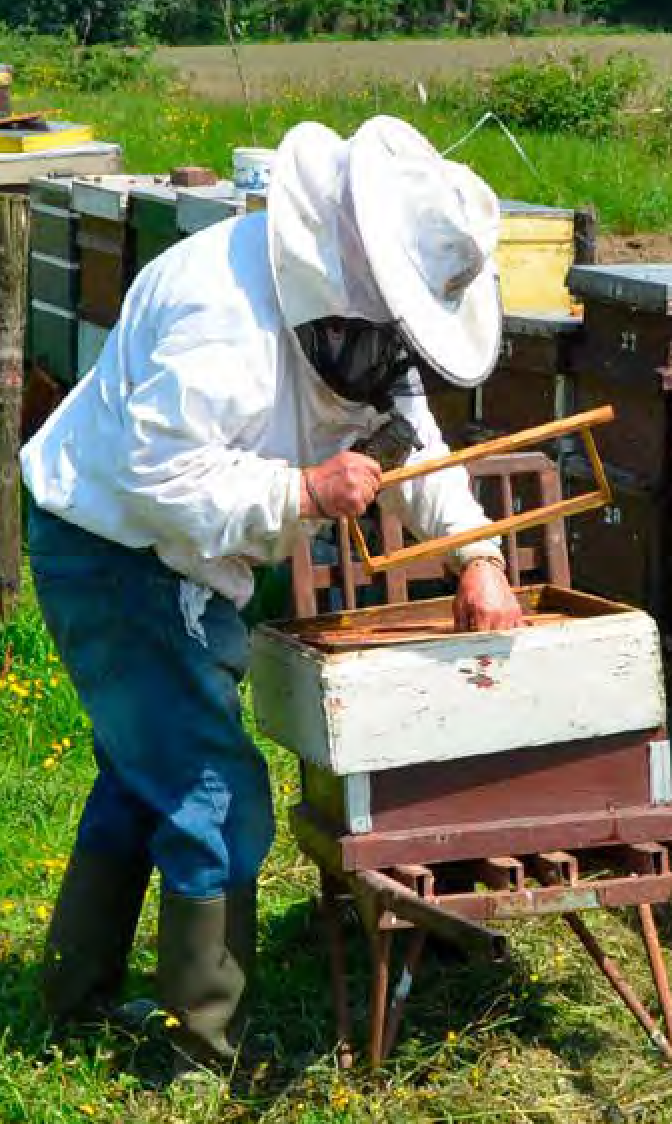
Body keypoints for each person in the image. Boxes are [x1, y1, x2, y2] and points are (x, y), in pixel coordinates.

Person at [21, 114, 522, 1076]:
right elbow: (154, 477)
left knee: (147, 767)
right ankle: (199, 1053)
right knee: (213, 785)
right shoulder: (220, 314)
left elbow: (405, 433)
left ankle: (78, 1001)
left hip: (179, 559)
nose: (393, 352)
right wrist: (300, 492)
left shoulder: (357, 316)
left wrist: (477, 555)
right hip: (117, 548)